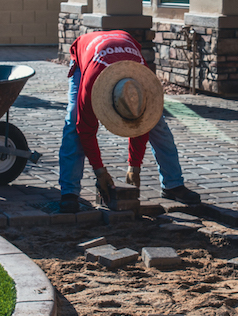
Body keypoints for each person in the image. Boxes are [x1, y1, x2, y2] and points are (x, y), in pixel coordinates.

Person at [58, 29, 201, 212]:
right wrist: (99, 171)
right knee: (73, 123)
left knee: (158, 124)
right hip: (86, 57)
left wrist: (134, 166)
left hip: (123, 46)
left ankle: (173, 185)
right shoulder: (91, 84)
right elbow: (85, 130)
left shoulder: (144, 80)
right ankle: (69, 192)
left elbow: (142, 123)